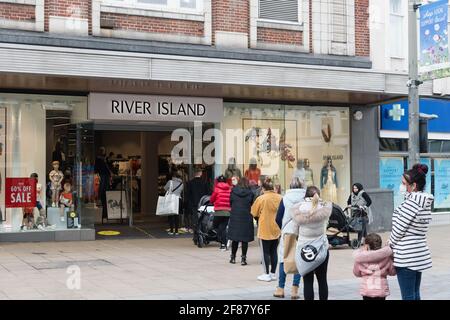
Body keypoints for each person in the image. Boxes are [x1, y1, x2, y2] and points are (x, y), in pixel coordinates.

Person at [389, 164, 433, 300]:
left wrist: (389, 244)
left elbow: (398, 230)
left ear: (413, 186)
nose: (401, 186)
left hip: (406, 256)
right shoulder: (422, 202)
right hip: (417, 253)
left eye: (403, 183)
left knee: (408, 296)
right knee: (414, 293)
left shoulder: (411, 203)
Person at [291, 186, 331, 300]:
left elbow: (295, 230)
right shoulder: (324, 209)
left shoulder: (299, 209)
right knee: (322, 280)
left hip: (304, 248)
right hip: (321, 247)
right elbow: (326, 226)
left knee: (307, 281)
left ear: (306, 195)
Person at [273, 177, 305, 300]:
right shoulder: (304, 199)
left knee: (283, 258)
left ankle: (280, 288)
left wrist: (283, 227)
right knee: (298, 259)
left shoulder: (284, 199)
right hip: (301, 232)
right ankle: (294, 290)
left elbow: (278, 217)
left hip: (287, 231)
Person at [251, 178, 283, 282]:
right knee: (274, 251)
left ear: (263, 188)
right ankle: (273, 273)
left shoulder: (261, 198)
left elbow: (254, 212)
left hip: (265, 227)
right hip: (277, 228)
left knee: (265, 252)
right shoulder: (280, 198)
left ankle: (266, 273)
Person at [353, 233, 396, 300]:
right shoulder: (386, 257)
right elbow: (393, 272)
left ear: (366, 246)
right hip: (381, 290)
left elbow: (356, 273)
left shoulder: (360, 258)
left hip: (367, 290)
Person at [228, 177, 254, 266]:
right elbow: (252, 203)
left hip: (235, 216)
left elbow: (230, 202)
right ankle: (243, 259)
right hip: (246, 216)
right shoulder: (250, 193)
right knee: (244, 240)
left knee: (235, 238)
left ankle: (233, 257)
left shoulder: (233, 191)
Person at [210, 175, 232, 250]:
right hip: (227, 211)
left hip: (219, 211)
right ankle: (224, 244)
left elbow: (212, 200)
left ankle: (222, 242)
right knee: (223, 227)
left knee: (215, 227)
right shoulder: (229, 189)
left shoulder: (216, 189)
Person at [186, 168, 210, 234]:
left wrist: (188, 204)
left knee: (195, 217)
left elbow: (188, 194)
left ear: (194, 174)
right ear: (201, 173)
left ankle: (196, 230)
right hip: (203, 203)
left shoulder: (190, 183)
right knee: (203, 216)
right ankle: (202, 230)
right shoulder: (204, 182)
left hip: (194, 203)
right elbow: (208, 193)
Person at [164, 171, 184, 235]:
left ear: (174, 176)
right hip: (178, 199)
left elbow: (165, 188)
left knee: (170, 215)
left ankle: (171, 230)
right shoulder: (181, 184)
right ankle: (177, 231)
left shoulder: (170, 182)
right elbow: (181, 191)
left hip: (171, 199)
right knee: (177, 215)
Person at [95, 147, 112, 221]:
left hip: (106, 175)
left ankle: (104, 198)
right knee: (102, 188)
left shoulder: (106, 159)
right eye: (103, 151)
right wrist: (97, 174)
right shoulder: (98, 159)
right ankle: (101, 198)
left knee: (105, 188)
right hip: (102, 174)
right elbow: (96, 168)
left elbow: (108, 167)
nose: (104, 152)